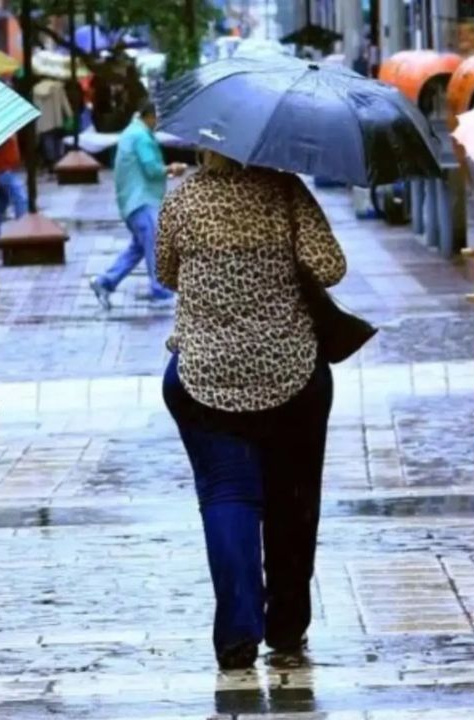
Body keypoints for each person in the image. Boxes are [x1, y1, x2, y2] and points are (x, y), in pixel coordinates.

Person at [156, 151, 345, 670]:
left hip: (204, 376)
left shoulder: (184, 199)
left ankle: (237, 632)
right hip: (291, 370)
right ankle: (286, 625)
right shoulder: (286, 191)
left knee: (227, 495)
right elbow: (332, 266)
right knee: (292, 499)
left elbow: (166, 272)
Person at [89, 100, 186, 309]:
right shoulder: (141, 137)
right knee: (154, 246)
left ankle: (105, 282)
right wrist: (172, 168)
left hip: (132, 202)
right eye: (157, 119)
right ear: (150, 116)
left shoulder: (131, 132)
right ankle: (160, 290)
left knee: (138, 248)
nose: (158, 123)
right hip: (142, 201)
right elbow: (152, 168)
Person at [0, 134, 28, 249]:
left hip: (7, 170)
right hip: (4, 170)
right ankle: (23, 233)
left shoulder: (10, 130)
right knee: (21, 199)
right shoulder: (2, 130)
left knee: (0, 204)